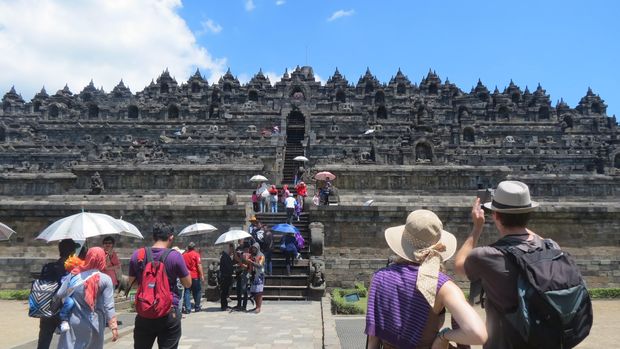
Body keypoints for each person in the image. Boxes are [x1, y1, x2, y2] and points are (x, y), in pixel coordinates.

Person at [366, 210, 487, 348]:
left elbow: (372, 341)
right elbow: (478, 334)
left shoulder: (379, 278)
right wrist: (445, 335)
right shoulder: (442, 286)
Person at [454, 180, 551, 349]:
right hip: (545, 339)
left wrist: (477, 228)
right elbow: (542, 241)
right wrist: (521, 222)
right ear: (529, 213)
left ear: (496, 215)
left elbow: (459, 265)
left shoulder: (488, 255)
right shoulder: (551, 246)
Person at [128, 223, 191, 349]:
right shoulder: (175, 256)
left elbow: (131, 283)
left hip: (144, 312)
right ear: (171, 237)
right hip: (168, 311)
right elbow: (187, 283)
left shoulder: (138, 255)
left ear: (153, 237)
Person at [57, 247, 119, 349]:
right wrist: (114, 327)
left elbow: (60, 294)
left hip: (74, 320)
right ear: (102, 259)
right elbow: (109, 306)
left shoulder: (74, 274)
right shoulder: (105, 279)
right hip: (96, 322)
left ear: (88, 257)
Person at [36, 239, 79, 349]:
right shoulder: (74, 269)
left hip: (47, 306)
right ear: (72, 252)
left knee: (44, 340)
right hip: (65, 310)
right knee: (67, 342)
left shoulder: (49, 266)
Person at [182, 242, 204, 314]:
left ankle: (188, 309)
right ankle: (197, 307)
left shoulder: (184, 255)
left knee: (187, 292)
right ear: (194, 247)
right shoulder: (196, 254)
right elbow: (199, 265)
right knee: (197, 291)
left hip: (186, 276)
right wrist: (202, 275)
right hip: (195, 276)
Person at [233, 240, 251, 311]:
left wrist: (241, 264)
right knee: (238, 289)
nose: (245, 250)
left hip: (246, 274)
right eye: (245, 248)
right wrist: (235, 252)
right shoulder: (242, 254)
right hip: (240, 273)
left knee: (244, 290)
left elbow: (247, 266)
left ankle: (244, 306)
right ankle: (239, 304)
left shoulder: (250, 255)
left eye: (247, 248)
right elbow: (237, 259)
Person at [247, 243, 265, 313]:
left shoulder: (262, 256)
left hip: (259, 275)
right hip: (253, 275)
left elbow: (260, 265)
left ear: (258, 248)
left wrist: (252, 262)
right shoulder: (252, 256)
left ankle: (259, 307)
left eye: (255, 248)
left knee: (259, 293)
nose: (253, 249)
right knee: (254, 292)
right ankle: (256, 306)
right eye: (253, 248)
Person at [219, 243, 235, 311]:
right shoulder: (225, 256)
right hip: (225, 276)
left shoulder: (226, 256)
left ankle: (225, 305)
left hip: (226, 276)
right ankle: (224, 306)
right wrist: (232, 269)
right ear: (230, 248)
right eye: (232, 249)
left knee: (225, 292)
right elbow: (228, 267)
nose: (232, 250)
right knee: (224, 292)